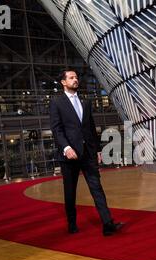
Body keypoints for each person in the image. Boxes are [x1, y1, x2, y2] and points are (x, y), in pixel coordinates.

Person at [49, 69, 124, 236]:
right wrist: (66, 148)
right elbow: (56, 129)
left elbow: (91, 128)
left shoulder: (86, 102)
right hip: (69, 155)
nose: (75, 80)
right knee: (70, 191)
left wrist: (97, 149)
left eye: (76, 77)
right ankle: (72, 223)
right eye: (71, 77)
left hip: (88, 153)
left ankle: (107, 224)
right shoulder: (57, 102)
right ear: (63, 82)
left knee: (97, 188)